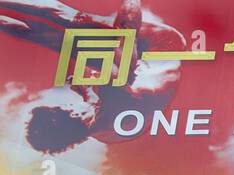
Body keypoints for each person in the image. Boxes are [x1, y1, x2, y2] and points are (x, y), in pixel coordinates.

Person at [0, 1, 187, 154]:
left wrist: (85, 88)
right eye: (68, 106)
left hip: (140, 68)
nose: (71, 102)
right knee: (69, 21)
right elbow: (126, 36)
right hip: (161, 44)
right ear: (75, 114)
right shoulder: (116, 103)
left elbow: (95, 99)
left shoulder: (100, 130)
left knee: (51, 38)